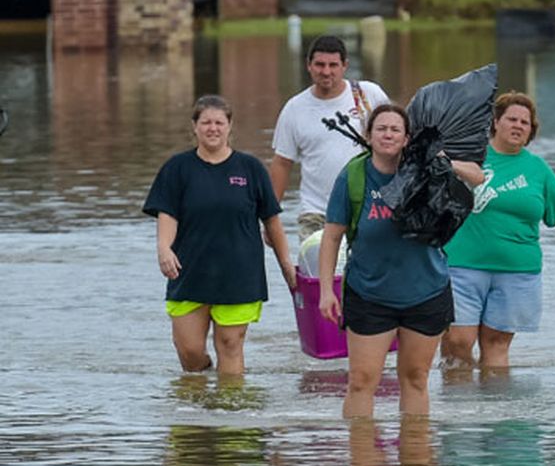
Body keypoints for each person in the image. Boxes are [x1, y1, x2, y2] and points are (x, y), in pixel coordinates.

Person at [318, 104, 484, 418]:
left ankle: (415, 461)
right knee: (361, 381)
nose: (388, 134)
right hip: (369, 293)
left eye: (396, 129)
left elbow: (477, 177)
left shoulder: (426, 169)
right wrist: (326, 290)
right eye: (381, 128)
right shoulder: (353, 176)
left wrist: (442, 159)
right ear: (369, 135)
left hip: (426, 291)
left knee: (416, 379)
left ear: (407, 138)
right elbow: (331, 236)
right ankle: (362, 460)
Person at [441, 91, 555, 370]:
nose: (519, 126)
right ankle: (462, 411)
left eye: (526, 122)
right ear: (496, 122)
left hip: (517, 271)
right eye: (512, 119)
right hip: (462, 267)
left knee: (496, 346)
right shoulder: (469, 158)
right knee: (458, 343)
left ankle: (497, 409)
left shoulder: (537, 169)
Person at [143, 95, 297, 375]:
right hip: (190, 271)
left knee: (230, 344)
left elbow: (272, 221)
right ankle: (199, 400)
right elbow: (168, 215)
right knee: (189, 350)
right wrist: (164, 248)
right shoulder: (177, 169)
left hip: (239, 272)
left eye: (219, 122)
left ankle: (231, 411)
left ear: (229, 126)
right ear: (194, 127)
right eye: (206, 122)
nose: (212, 128)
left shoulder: (250, 169)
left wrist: (286, 264)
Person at [271, 34, 390, 244]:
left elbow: (395, 142)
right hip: (315, 214)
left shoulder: (368, 95)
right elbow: (282, 163)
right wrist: (270, 219)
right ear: (308, 65)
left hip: (365, 208)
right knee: (317, 275)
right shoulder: (294, 108)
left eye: (333, 65)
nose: (326, 72)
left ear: (345, 65)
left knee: (362, 275)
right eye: (319, 65)